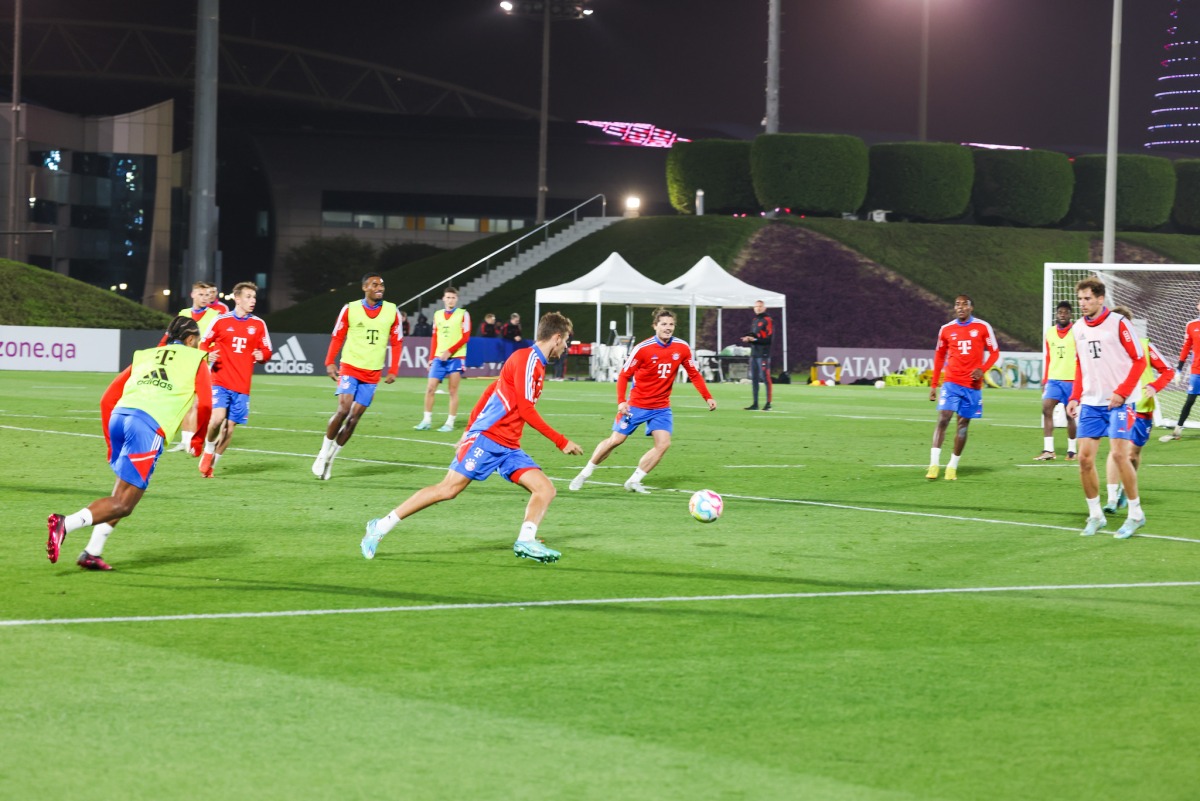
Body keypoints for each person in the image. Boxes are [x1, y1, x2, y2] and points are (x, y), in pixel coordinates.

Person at [361, 312, 583, 563]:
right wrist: (561, 441)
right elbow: (525, 410)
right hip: (488, 438)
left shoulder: (535, 365)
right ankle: (380, 526)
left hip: (508, 445)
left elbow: (492, 390)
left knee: (545, 489)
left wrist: (467, 429)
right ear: (556, 338)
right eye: (566, 341)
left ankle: (526, 540)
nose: (565, 347)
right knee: (448, 489)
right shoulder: (527, 360)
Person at [46, 316, 212, 570]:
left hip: (119, 417)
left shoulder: (146, 355)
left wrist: (110, 444)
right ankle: (65, 524)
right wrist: (198, 440)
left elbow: (106, 399)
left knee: (121, 496)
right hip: (147, 426)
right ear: (190, 339)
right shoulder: (197, 359)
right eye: (197, 340)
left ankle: (92, 552)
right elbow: (207, 404)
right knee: (124, 504)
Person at [569, 308, 716, 494]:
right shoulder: (642, 349)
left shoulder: (682, 348)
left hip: (661, 407)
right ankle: (584, 473)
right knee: (616, 440)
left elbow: (693, 374)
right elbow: (624, 375)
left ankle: (634, 480)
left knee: (663, 444)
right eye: (664, 324)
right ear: (655, 326)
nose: (668, 328)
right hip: (636, 405)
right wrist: (621, 401)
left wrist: (707, 397)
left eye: (671, 324)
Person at [1065, 277, 1148, 538]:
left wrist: (1122, 392)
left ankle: (1136, 514)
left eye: (1087, 298)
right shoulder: (1078, 328)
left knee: (1119, 455)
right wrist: (1075, 396)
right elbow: (1080, 364)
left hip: (1121, 402)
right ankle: (1096, 515)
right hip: (1091, 402)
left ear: (1101, 299)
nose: (1083, 303)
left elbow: (1139, 360)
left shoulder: (1119, 323)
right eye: (1080, 299)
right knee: (1084, 459)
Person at [312, 273, 403, 480]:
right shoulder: (350, 308)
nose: (380, 288)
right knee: (344, 409)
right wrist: (329, 361)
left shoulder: (392, 310)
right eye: (375, 284)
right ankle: (322, 453)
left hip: (372, 373)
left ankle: (331, 459)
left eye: (382, 284)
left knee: (354, 419)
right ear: (364, 288)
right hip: (350, 367)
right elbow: (337, 336)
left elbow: (397, 341)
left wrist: (394, 369)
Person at [1101, 307, 1174, 514]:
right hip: (1120, 406)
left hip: (1142, 408)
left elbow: (1167, 370)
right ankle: (1111, 498)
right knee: (1117, 451)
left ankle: (1126, 488)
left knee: (1132, 454)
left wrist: (1154, 386)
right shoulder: (1106, 349)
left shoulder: (1144, 346)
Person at [198, 282, 273, 478]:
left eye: (254, 297)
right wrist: (208, 354)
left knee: (229, 429)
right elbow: (203, 343)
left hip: (242, 384)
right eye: (248, 297)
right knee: (217, 419)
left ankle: (213, 464)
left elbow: (267, 350)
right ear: (237, 299)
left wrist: (262, 356)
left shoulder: (258, 324)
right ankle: (208, 450)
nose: (253, 301)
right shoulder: (220, 320)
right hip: (220, 379)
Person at [926, 294, 999, 481]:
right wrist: (934, 384)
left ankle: (952, 466)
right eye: (957, 304)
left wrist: (982, 369)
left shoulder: (982, 327)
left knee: (963, 425)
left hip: (972, 386)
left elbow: (994, 352)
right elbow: (939, 356)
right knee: (943, 418)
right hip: (951, 382)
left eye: (964, 304)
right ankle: (933, 464)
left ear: (971, 308)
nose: (960, 307)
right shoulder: (946, 329)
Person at [165, 281, 222, 452]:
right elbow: (174, 336)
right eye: (201, 294)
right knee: (186, 403)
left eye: (207, 295)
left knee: (197, 403)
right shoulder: (183, 313)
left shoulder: (215, 315)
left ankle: (195, 440)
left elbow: (218, 340)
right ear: (192, 295)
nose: (204, 298)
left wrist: (210, 353)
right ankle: (185, 440)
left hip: (203, 363)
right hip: (184, 361)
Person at [414, 286, 471, 432]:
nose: (450, 300)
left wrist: (450, 351)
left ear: (456, 299)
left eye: (453, 298)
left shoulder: (463, 314)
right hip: (439, 358)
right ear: (443, 299)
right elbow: (435, 337)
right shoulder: (437, 315)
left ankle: (450, 423)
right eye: (448, 297)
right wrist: (431, 358)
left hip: (456, 357)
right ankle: (426, 421)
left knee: (452, 391)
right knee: (430, 388)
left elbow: (465, 337)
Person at [1036, 300, 1078, 460]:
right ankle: (1048, 450)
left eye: (1066, 312)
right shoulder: (1050, 333)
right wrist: (1045, 379)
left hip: (1071, 380)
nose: (1063, 314)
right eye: (1060, 312)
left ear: (1070, 315)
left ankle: (1072, 451)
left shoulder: (1077, 332)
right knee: (1046, 409)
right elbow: (1048, 357)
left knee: (1070, 415)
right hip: (1054, 380)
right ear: (1056, 314)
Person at [1161, 297, 1200, 442]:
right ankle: (1177, 429)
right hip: (1196, 371)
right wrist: (1179, 369)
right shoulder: (1191, 325)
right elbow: (1186, 348)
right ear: (1198, 306)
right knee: (1190, 400)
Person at [741, 299, 774, 410]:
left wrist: (754, 340)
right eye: (756, 306)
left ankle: (768, 404)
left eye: (760, 306)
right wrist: (748, 338)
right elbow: (755, 336)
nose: (758, 308)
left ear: (764, 308)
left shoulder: (767, 320)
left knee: (765, 378)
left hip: (763, 354)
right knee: (754, 379)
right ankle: (755, 404)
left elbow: (769, 339)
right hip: (754, 354)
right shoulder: (755, 320)